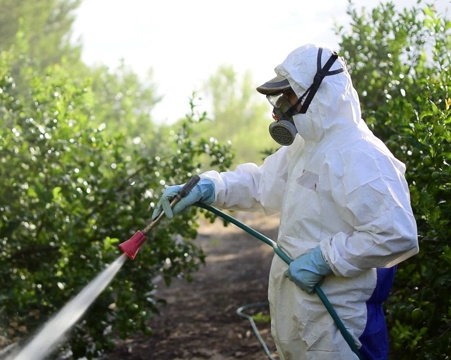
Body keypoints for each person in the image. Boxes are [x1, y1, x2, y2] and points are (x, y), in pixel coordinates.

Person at [152, 43, 419, 360]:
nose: (279, 108)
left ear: (318, 93)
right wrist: (210, 186)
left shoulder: (363, 156)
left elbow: (396, 233)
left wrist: (325, 259)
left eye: (288, 96)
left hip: (344, 329)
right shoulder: (306, 148)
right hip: (305, 322)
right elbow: (261, 184)